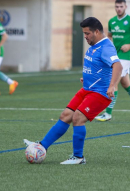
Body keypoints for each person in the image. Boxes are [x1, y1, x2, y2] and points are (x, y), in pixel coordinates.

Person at [24, 17, 123, 164]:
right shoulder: (94, 44)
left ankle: (78, 157)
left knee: (77, 118)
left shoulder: (106, 46)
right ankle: (42, 146)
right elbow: (99, 67)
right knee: (65, 115)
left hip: (100, 93)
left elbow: (118, 66)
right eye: (83, 33)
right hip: (87, 89)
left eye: (87, 33)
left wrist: (112, 86)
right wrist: (88, 77)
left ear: (96, 32)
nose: (85, 37)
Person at [96, 0, 130, 122]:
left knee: (113, 82)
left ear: (125, 7)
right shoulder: (112, 21)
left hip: (125, 57)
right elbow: (109, 36)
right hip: (115, 56)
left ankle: (108, 113)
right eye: (117, 7)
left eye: (121, 6)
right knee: (125, 83)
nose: (119, 9)